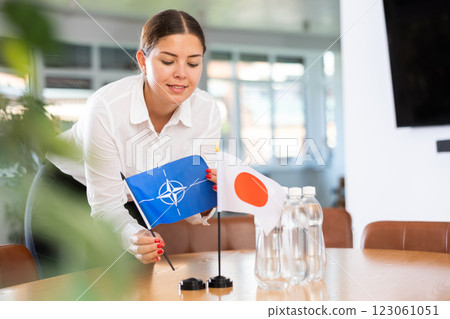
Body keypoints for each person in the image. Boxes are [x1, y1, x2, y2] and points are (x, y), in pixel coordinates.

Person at [27, 9, 221, 276]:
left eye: (193, 63)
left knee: (134, 284)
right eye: (168, 61)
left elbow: (191, 198)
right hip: (66, 192)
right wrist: (130, 236)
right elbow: (105, 205)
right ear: (143, 60)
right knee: (63, 290)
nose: (181, 74)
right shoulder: (106, 107)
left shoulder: (207, 110)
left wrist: (212, 194)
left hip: (133, 196)